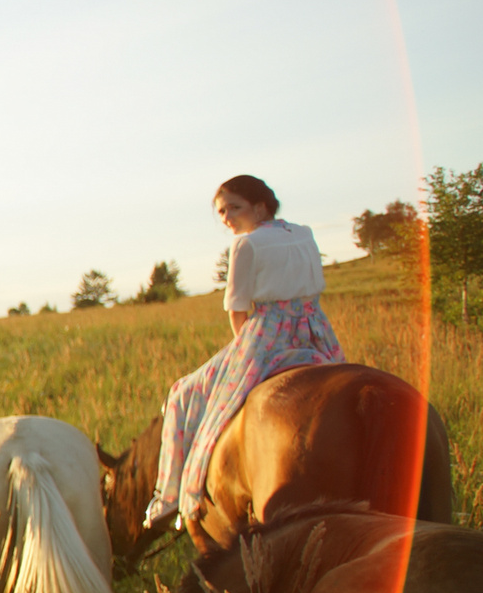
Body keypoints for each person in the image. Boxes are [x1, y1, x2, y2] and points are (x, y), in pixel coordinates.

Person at [143, 175, 346, 533]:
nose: (226, 218)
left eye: (234, 208)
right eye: (221, 212)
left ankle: (169, 497)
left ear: (261, 206)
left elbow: (237, 310)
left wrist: (244, 354)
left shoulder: (245, 245)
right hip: (315, 331)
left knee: (182, 392)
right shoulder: (305, 234)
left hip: (267, 334)